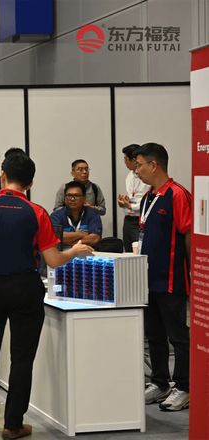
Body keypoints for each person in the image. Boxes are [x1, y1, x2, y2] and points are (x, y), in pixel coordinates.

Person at [0, 153, 93, 437]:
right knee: (22, 357)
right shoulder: (37, 212)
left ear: (2, 175)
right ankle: (12, 424)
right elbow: (53, 260)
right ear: (30, 183)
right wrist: (75, 251)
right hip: (25, 287)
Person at [134, 142, 191, 411]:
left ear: (154, 165)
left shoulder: (177, 194)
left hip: (171, 279)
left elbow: (188, 235)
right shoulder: (148, 198)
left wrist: (193, 271)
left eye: (139, 165)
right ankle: (160, 382)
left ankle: (184, 387)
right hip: (147, 279)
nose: (137, 171)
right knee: (154, 335)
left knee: (177, 336)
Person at [50, 181, 102, 249]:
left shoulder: (93, 214)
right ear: (65, 198)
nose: (72, 199)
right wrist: (81, 234)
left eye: (76, 195)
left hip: (87, 252)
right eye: (69, 195)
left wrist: (69, 241)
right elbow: (55, 237)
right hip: (63, 253)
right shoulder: (56, 215)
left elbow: (94, 239)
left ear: (84, 198)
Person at [118, 144, 150, 252]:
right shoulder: (129, 176)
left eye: (126, 159)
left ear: (133, 160)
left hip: (140, 220)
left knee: (140, 251)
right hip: (128, 220)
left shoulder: (147, 176)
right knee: (128, 252)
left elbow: (147, 200)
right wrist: (124, 203)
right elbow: (133, 196)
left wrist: (130, 206)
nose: (125, 163)